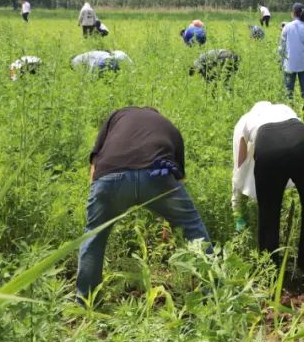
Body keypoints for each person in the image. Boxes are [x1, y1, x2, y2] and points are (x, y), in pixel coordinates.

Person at [76, 106, 210, 302]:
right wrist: (170, 220)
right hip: (157, 176)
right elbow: (179, 179)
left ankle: (86, 301)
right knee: (193, 228)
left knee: (94, 235)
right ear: (155, 115)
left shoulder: (116, 116)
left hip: (111, 176)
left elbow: (95, 163)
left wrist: (98, 198)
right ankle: (213, 292)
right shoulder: (169, 127)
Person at [231, 101, 304, 284]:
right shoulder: (284, 109)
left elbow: (239, 167)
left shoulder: (245, 121)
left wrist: (236, 205)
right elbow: (291, 144)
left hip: (270, 147)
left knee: (269, 213)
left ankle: (269, 275)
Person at [279, 3, 304, 108]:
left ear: (293, 13)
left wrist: (281, 62)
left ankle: (288, 110)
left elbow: (282, 47)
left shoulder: (287, 27)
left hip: (289, 64)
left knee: (288, 91)